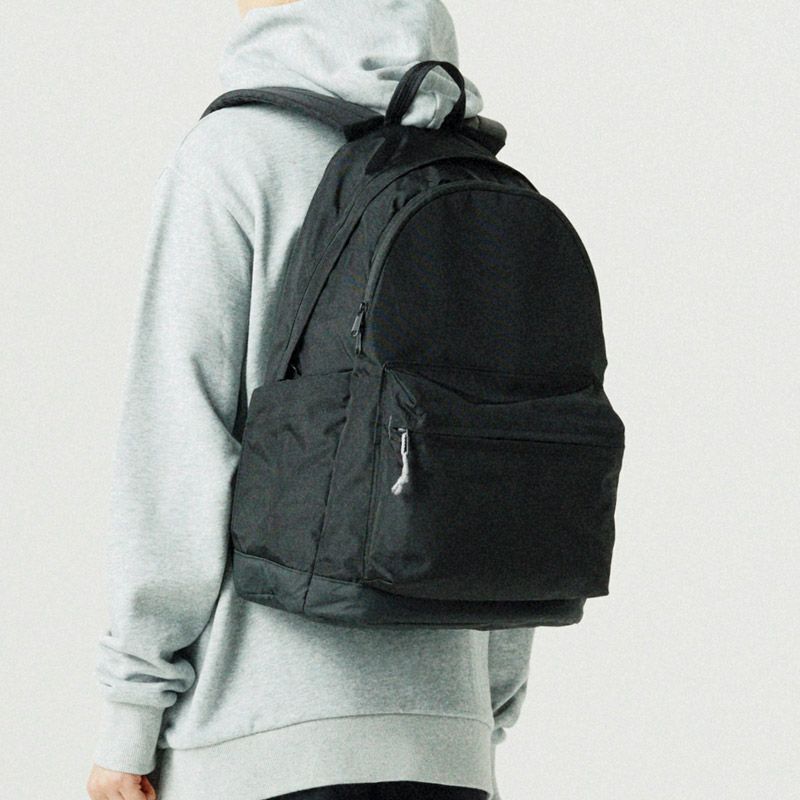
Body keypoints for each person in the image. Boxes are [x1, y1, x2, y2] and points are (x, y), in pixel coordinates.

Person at [86, 2, 535, 799]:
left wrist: (132, 710)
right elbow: (508, 462)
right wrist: (479, 703)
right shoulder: (469, 172)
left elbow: (178, 445)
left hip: (256, 734)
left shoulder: (235, 155)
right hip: (447, 743)